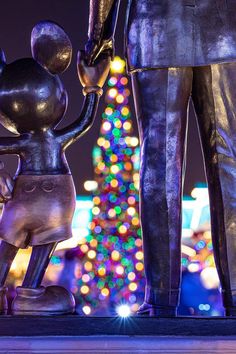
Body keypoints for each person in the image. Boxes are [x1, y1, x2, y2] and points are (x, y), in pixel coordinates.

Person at [85, 0, 236, 316]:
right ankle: (234, 293)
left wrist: (99, 35)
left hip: (157, 29)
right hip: (225, 31)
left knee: (159, 162)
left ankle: (161, 300)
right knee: (228, 162)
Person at [0, 20, 110, 315]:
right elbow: (85, 122)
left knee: (8, 242)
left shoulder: (24, 141)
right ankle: (30, 294)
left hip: (21, 198)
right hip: (54, 198)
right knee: (44, 243)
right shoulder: (56, 139)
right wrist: (93, 87)